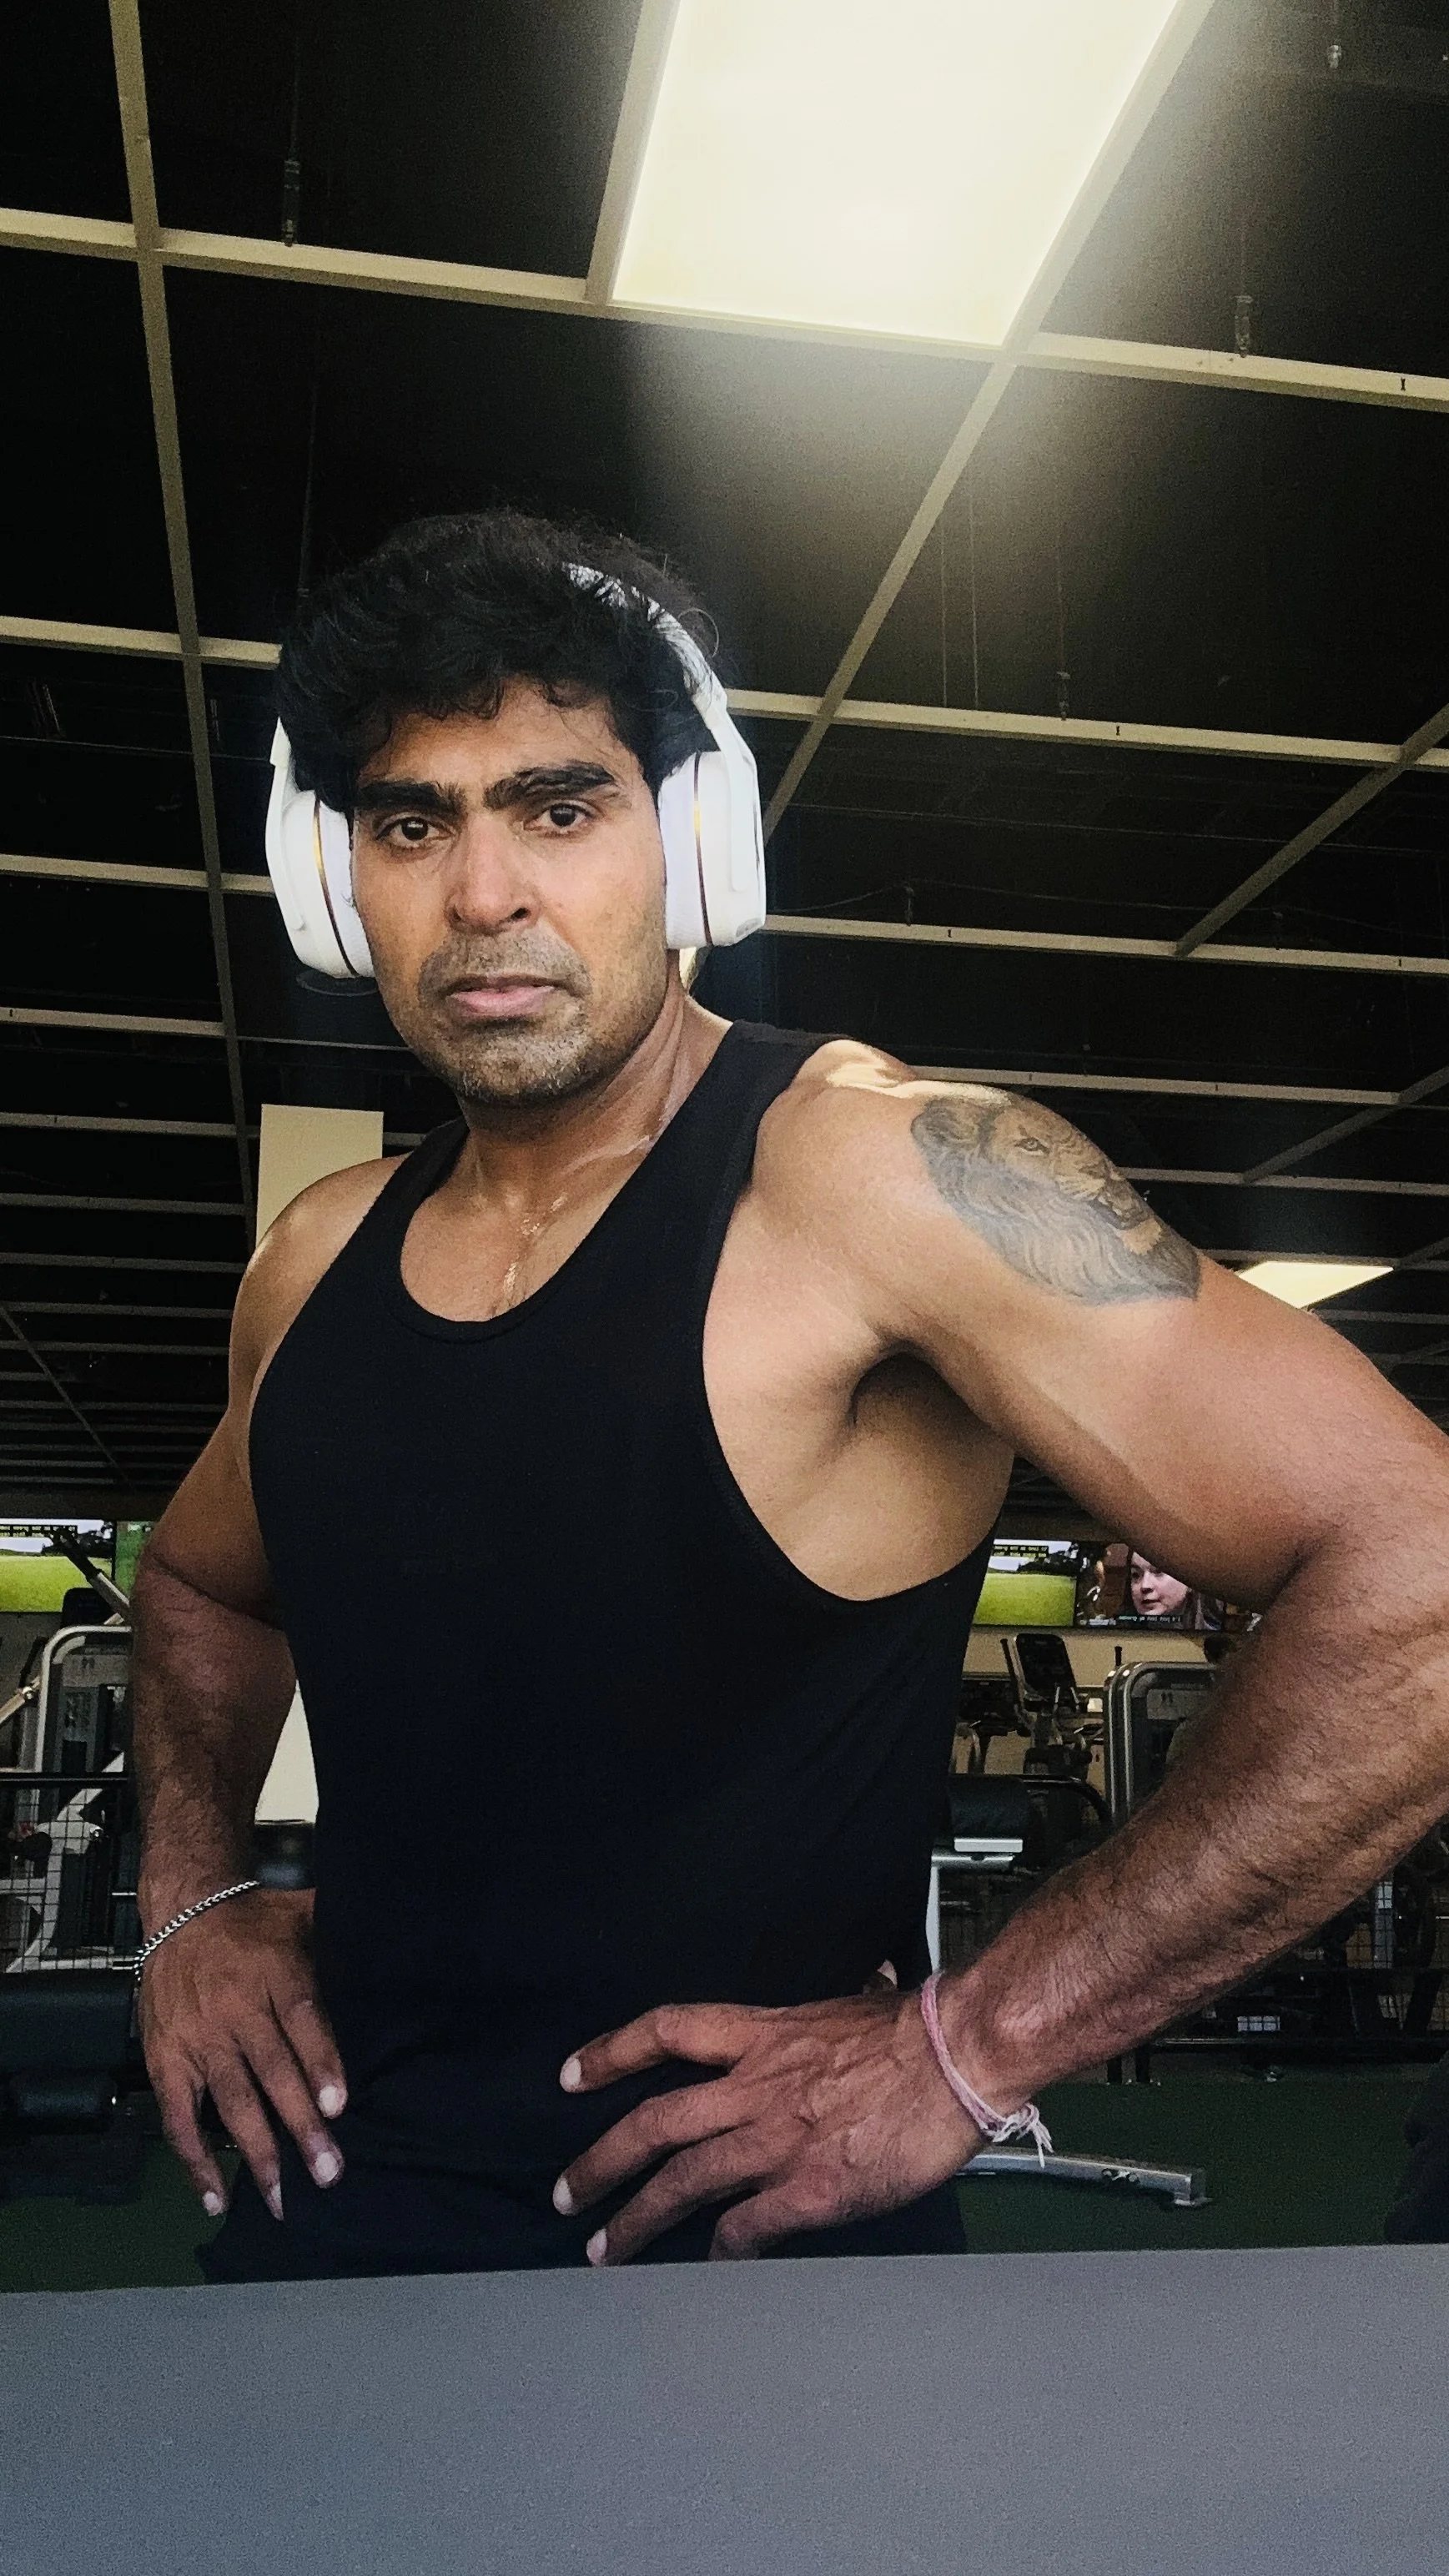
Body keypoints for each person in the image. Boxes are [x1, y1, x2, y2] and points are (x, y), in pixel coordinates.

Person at [132, 507, 1449, 2281]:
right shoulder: (316, 1256)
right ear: (330, 878)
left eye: (560, 805)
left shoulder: (878, 1182)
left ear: (692, 844)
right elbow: (206, 1588)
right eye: (408, 820)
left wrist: (967, 2046)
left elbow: (1420, 1569)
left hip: (750, 2262)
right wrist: (190, 1893)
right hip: (328, 2222)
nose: (485, 894)